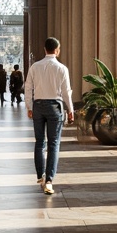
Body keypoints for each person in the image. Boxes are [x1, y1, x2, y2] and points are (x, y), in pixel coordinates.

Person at [24, 37, 75, 194]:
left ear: (44, 49)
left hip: (38, 106)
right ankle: (49, 180)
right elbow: (66, 92)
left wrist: (29, 106)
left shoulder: (35, 67)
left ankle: (40, 175)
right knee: (53, 144)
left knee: (40, 142)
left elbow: (28, 88)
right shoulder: (62, 68)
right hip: (55, 107)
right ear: (57, 50)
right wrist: (71, 110)